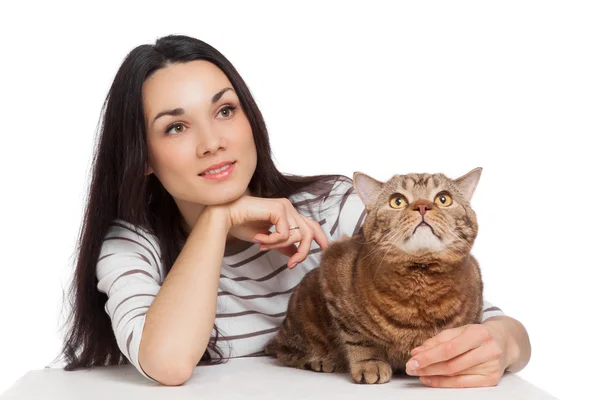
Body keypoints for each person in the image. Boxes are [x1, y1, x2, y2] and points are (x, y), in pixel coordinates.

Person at [58, 34, 531, 388]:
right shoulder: (131, 247)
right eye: (176, 127)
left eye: (225, 111)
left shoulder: (332, 207)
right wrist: (219, 219)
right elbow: (167, 363)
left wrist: (502, 345)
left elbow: (490, 320)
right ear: (142, 157)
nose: (213, 143)